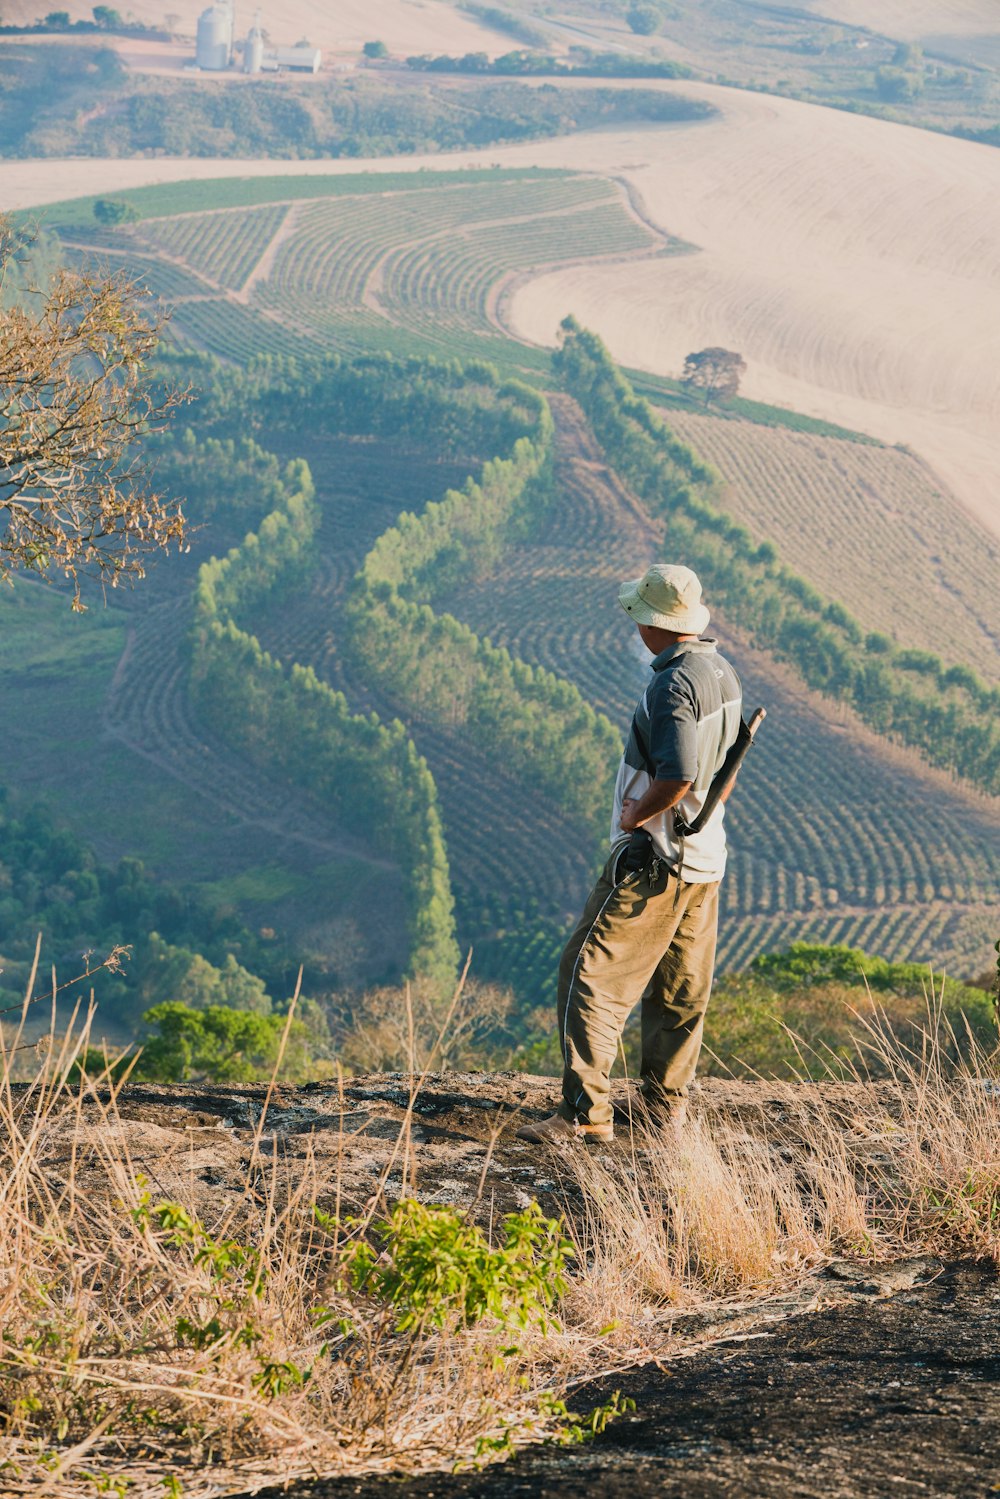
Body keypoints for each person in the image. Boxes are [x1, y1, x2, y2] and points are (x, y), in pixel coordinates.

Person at [517, 563, 743, 1145]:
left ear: (652, 624)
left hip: (656, 858)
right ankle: (663, 1112)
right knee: (679, 990)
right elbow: (720, 774)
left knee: (586, 973)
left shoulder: (672, 684)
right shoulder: (721, 671)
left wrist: (634, 814)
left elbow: (680, 772)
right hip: (704, 856)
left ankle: (584, 1115)